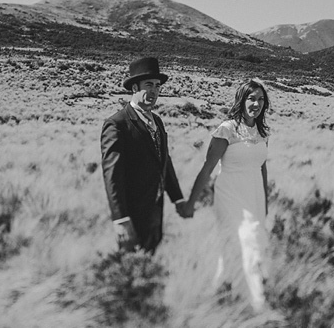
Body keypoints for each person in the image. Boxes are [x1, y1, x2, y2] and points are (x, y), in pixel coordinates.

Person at [184, 78, 271, 312]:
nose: (257, 104)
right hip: (230, 195)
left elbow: (262, 167)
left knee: (239, 247)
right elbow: (207, 168)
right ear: (241, 100)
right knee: (248, 241)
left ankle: (223, 295)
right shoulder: (227, 129)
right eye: (252, 98)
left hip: (254, 197)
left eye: (261, 99)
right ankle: (258, 305)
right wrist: (190, 203)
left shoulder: (262, 132)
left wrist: (265, 201)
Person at [100, 56, 191, 254]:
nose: (154, 91)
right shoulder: (117, 124)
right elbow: (112, 175)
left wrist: (178, 199)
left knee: (151, 261)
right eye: (148, 84)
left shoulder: (157, 121)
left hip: (155, 209)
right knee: (131, 268)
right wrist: (121, 218)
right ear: (134, 87)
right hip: (131, 214)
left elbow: (164, 161)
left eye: (157, 86)